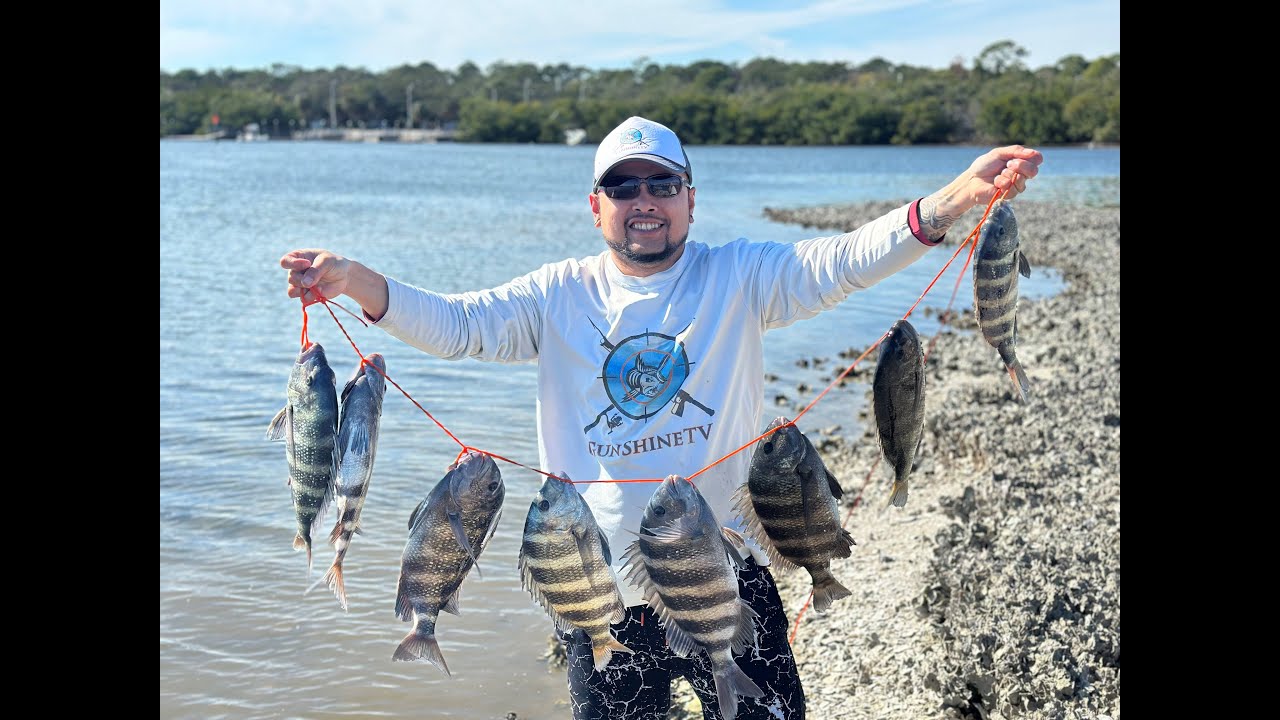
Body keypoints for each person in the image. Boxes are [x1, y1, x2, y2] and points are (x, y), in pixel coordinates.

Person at [280, 116, 1042, 719]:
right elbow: (454, 323)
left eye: (661, 183)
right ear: (595, 205)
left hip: (727, 571)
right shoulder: (555, 294)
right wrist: (354, 280)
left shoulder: (740, 276)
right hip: (597, 585)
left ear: (689, 197)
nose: (643, 200)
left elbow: (841, 261)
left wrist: (953, 201)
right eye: (624, 187)